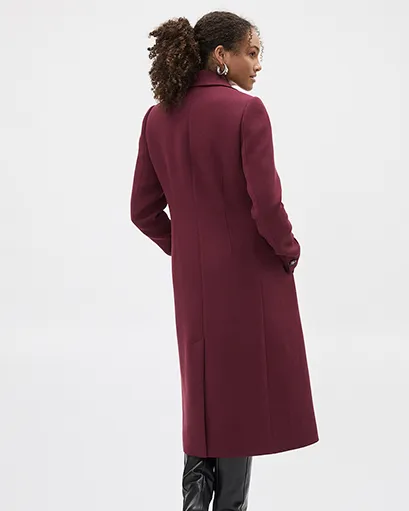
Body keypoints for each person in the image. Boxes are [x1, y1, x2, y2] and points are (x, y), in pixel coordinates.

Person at [130, 10, 319, 511]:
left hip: (192, 281)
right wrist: (288, 249)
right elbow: (266, 205)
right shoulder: (245, 112)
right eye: (251, 53)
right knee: (240, 394)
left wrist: (187, 247)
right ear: (221, 55)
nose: (258, 65)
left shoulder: (157, 117)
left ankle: (195, 501)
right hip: (245, 276)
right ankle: (230, 505)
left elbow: (142, 211)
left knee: (204, 389)